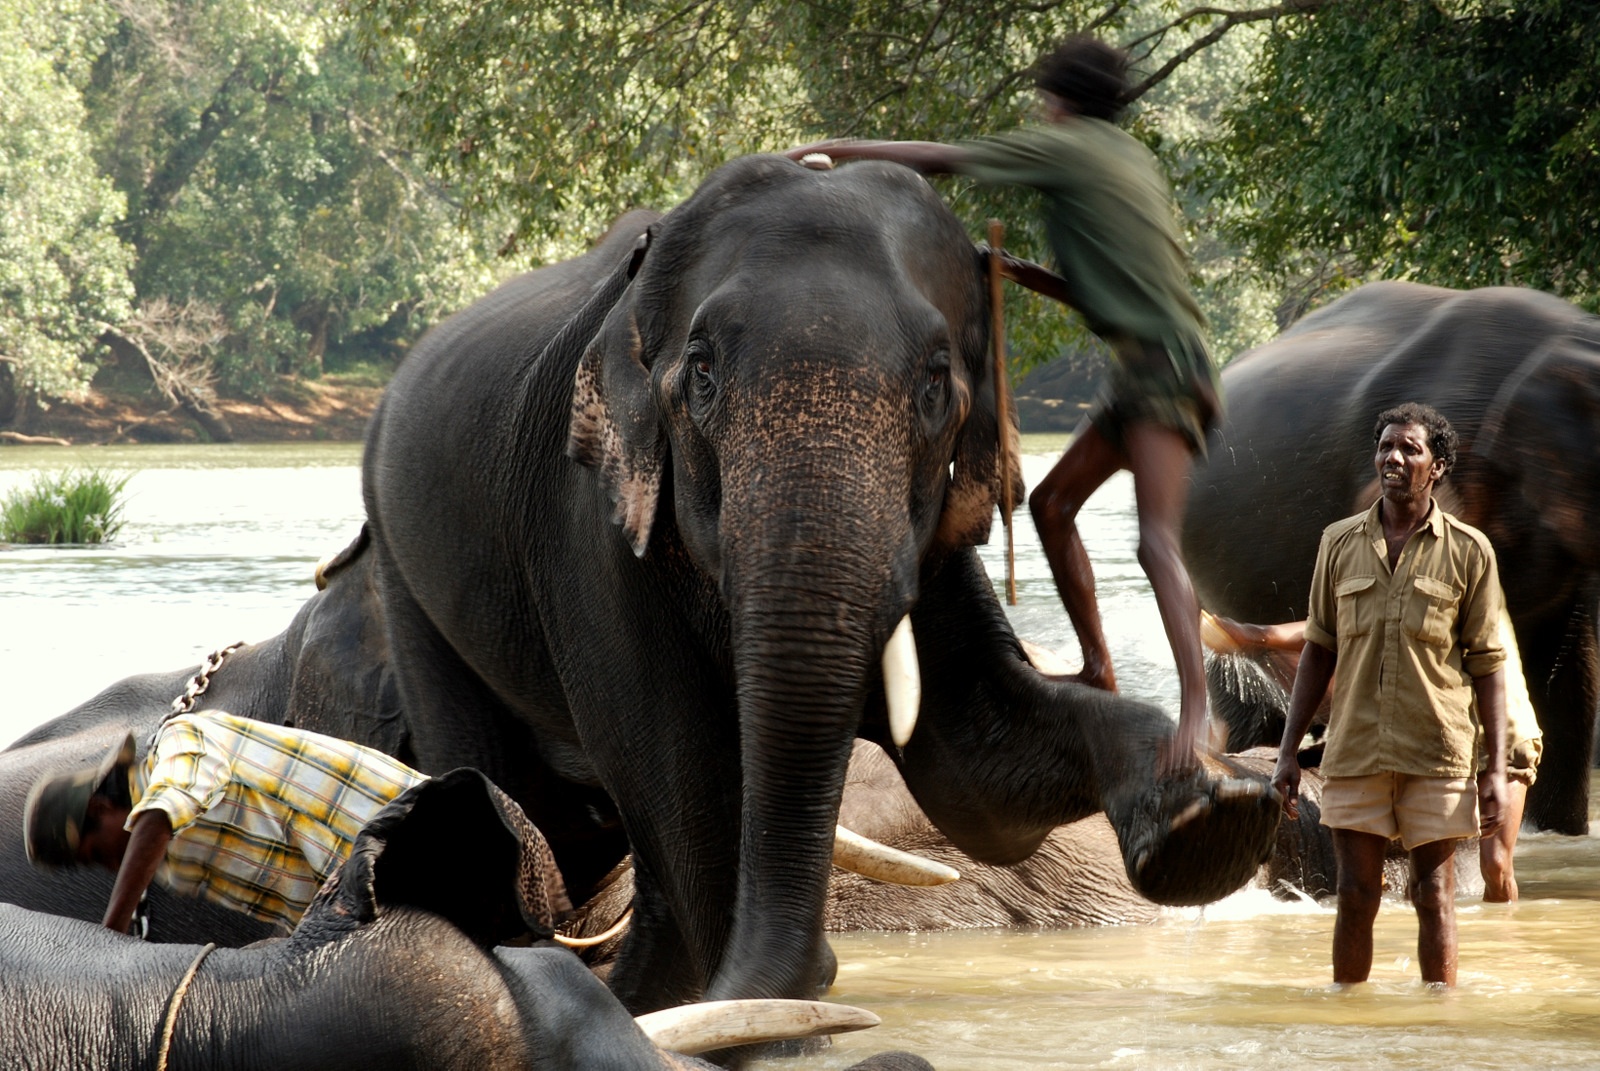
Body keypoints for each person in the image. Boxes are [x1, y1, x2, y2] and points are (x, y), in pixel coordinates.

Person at [786, 34, 1222, 766]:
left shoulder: (1075, 145)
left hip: (1165, 370)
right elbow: (1105, 290)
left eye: (1044, 100)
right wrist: (1020, 273)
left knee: (1155, 543)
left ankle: (1199, 713)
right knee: (1052, 509)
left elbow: (946, 157)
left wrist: (842, 147)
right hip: (1152, 367)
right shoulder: (1125, 157)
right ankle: (1098, 668)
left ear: (1061, 101)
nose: (1041, 112)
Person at [1270, 403, 1508, 986]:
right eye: (1385, 448)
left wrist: (1496, 768)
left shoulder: (1470, 551)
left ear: (1439, 467)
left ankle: (1437, 1024)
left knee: (1434, 896)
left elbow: (1488, 665)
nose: (1393, 458)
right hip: (1355, 749)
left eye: (1410, 449)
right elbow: (1319, 648)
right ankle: (1350, 1021)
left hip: (1438, 749)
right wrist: (1286, 752)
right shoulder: (1338, 542)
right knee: (1354, 894)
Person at [1205, 607, 1540, 902]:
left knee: (1495, 865)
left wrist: (1496, 769)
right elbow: (1337, 629)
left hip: (1497, 733)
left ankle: (1503, 946)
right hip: (1430, 738)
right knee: (1423, 876)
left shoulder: (1465, 571)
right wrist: (1257, 636)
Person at [25, 710, 428, 934]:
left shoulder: (182, 740)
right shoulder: (175, 865)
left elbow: (165, 809)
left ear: (99, 809)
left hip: (419, 828)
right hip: (381, 889)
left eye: (98, 853)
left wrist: (112, 931)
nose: (111, 866)